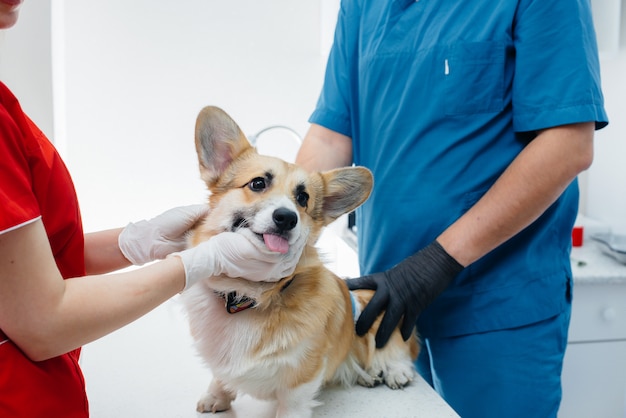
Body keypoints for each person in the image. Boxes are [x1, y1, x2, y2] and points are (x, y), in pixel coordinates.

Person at [296, 0, 608, 417]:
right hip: (389, 307)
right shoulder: (362, 5)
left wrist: (435, 263)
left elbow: (567, 144)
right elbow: (331, 137)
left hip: (497, 310)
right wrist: (278, 225)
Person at [0, 2, 299, 417]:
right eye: (258, 185)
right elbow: (41, 322)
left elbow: (21, 271)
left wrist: (134, 243)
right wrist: (198, 261)